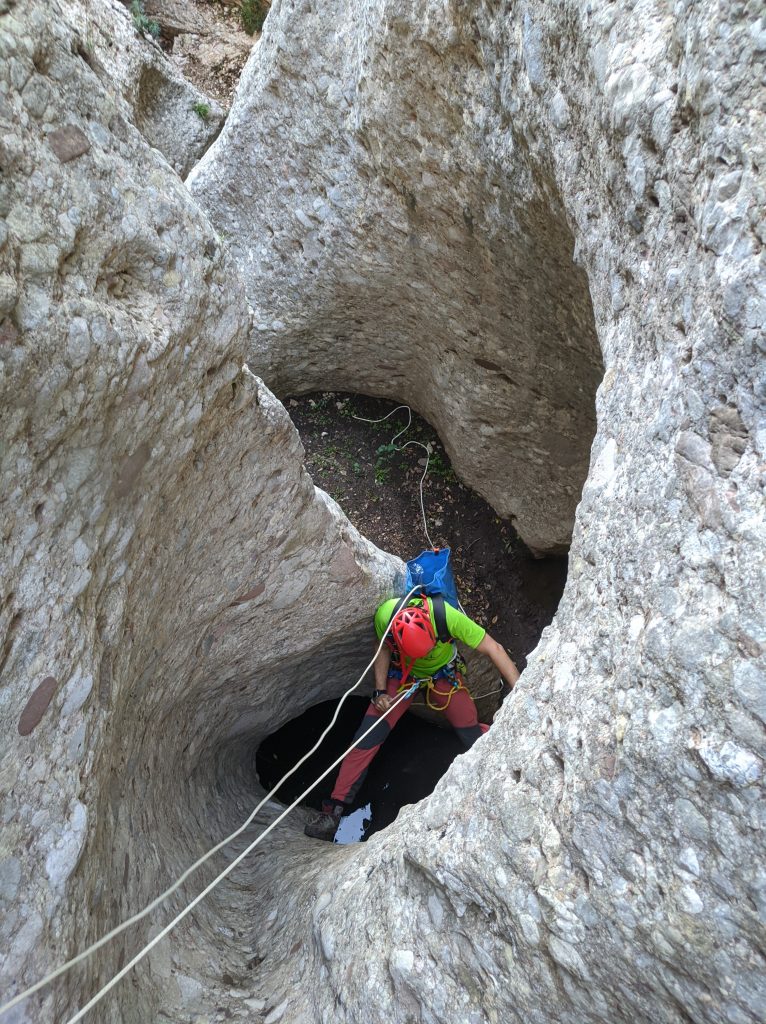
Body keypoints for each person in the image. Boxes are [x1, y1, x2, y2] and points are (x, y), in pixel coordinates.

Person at [304, 593, 520, 840]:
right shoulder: (386, 616)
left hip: (442, 674)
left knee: (469, 731)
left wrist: (521, 691)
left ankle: (505, 753)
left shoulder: (445, 616)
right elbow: (382, 647)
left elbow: (494, 648)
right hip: (402, 674)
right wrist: (380, 690)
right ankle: (333, 810)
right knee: (366, 737)